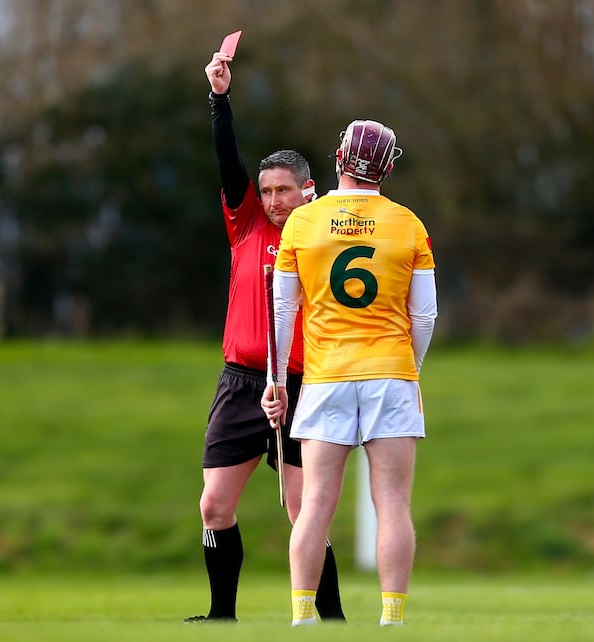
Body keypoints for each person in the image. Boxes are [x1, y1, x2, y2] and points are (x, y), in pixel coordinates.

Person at [183, 51, 345, 624]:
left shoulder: (323, 233)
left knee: (304, 510)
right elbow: (227, 160)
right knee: (214, 505)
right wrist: (219, 99)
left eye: (285, 190)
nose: (275, 200)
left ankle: (332, 621)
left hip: (301, 387)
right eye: (268, 190)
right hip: (241, 384)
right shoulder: (247, 221)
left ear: (308, 191)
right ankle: (221, 615)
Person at [261, 119, 438, 627]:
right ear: (385, 166)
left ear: (340, 158)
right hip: (391, 374)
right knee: (393, 505)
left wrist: (276, 378)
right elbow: (424, 315)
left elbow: (282, 310)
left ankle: (301, 617)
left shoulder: (302, 222)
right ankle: (392, 619)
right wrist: (411, 370)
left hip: (325, 376)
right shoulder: (408, 223)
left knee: (315, 503)